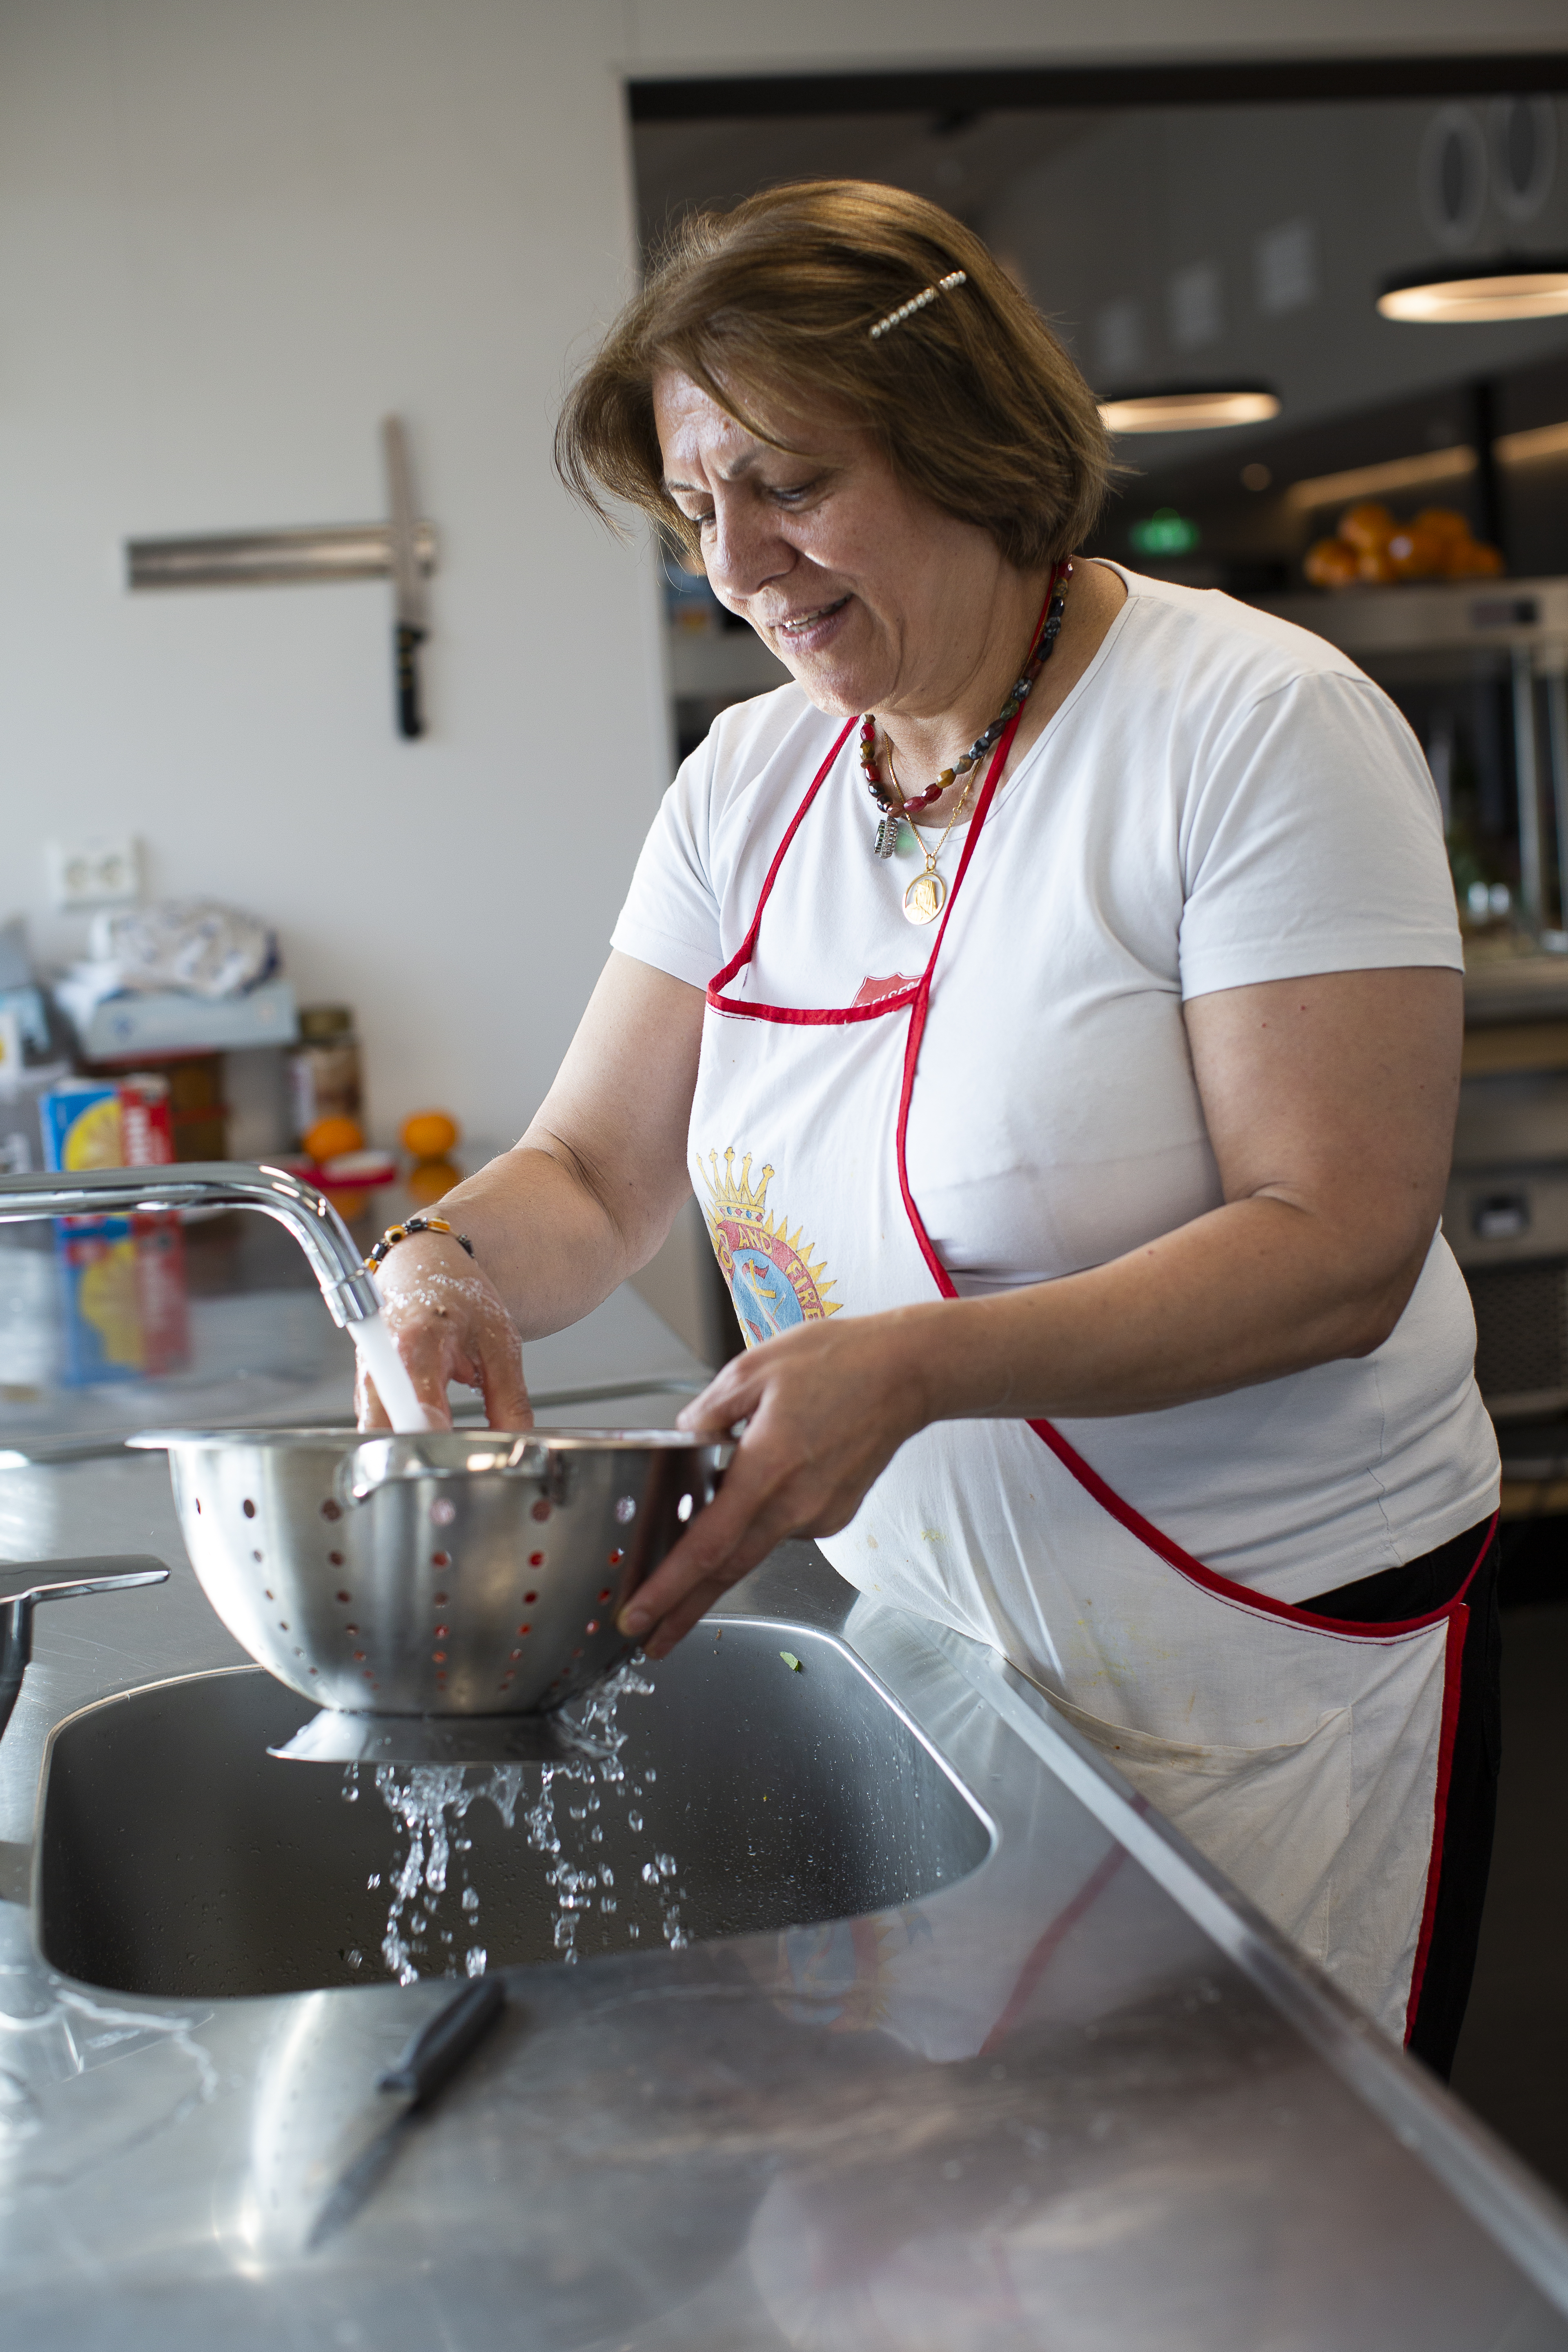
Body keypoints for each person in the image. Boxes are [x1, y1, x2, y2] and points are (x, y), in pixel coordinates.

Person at [362, 181, 1500, 2072]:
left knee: (1259, 2264)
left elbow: (1339, 1242)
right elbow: (589, 1170)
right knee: (964, 2232)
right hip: (943, 1657)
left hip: (1274, 1678)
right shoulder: (752, 777)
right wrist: (439, 1268)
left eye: (789, 485)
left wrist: (908, 1370)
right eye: (695, 505)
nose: (736, 562)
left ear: (969, 441)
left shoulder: (1246, 726)